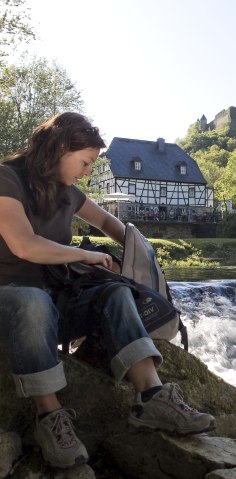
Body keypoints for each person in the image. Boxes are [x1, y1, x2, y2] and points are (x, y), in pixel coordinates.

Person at [0, 112, 215, 469]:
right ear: (59, 148)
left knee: (114, 292)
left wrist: (140, 254)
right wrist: (86, 255)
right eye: (84, 162)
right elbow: (24, 245)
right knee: (32, 300)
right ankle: (50, 418)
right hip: (10, 302)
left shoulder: (67, 192)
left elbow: (105, 220)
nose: (87, 171)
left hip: (53, 304)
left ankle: (152, 396)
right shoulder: (7, 179)